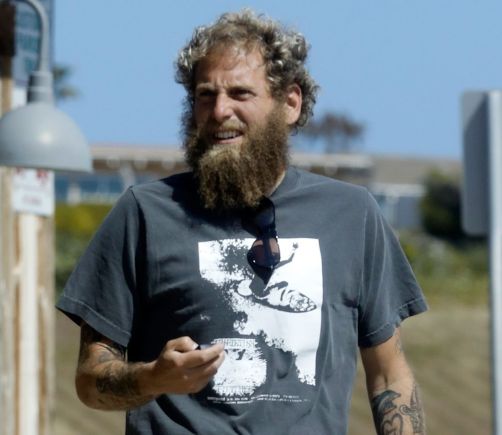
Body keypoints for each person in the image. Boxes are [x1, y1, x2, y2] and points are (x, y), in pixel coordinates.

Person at [57, 9, 428, 435]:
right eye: (205, 95)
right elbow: (90, 381)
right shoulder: (144, 212)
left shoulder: (352, 214)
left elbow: (390, 377)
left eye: (240, 93)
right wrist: (152, 378)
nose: (219, 111)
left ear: (290, 103)